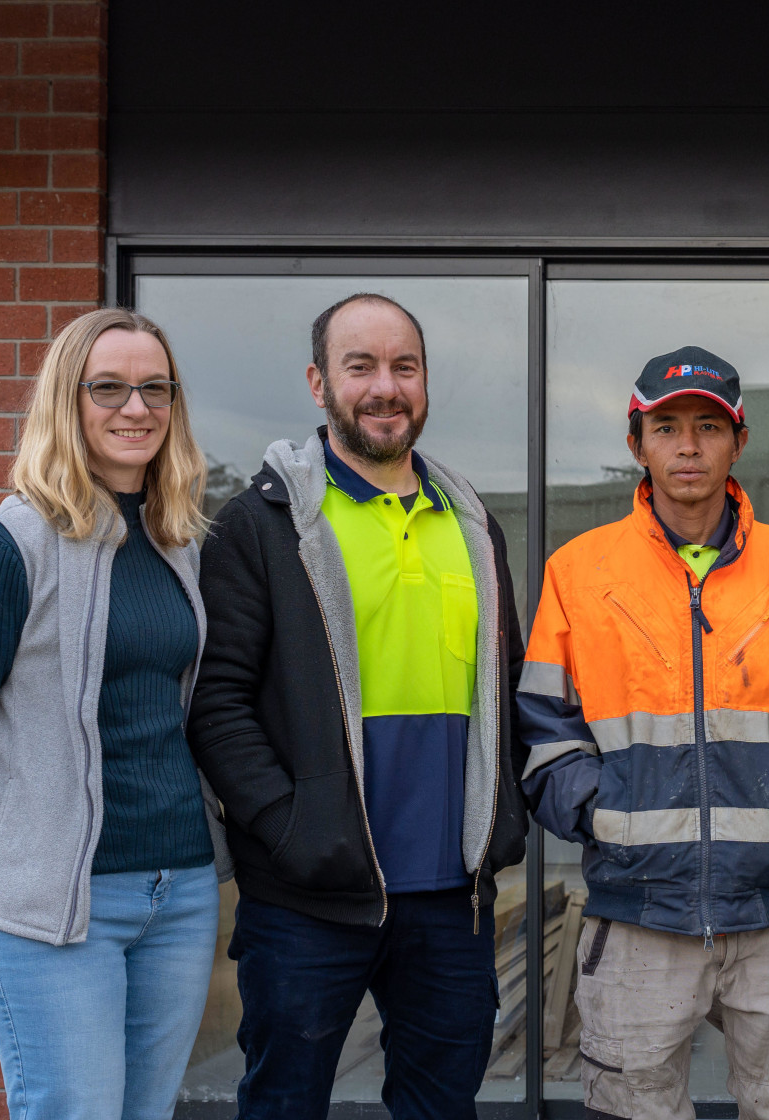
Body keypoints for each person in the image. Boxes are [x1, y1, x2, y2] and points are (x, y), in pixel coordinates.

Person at [188, 293, 529, 1119]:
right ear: (318, 382)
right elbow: (216, 703)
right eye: (361, 366)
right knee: (283, 1105)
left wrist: (500, 818)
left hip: (453, 901)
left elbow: (506, 695)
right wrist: (291, 826)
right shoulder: (260, 527)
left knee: (441, 1107)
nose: (386, 387)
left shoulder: (473, 526)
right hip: (309, 900)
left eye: (404, 367)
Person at [0, 308, 227, 1119]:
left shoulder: (177, 540)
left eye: (155, 388)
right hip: (56, 908)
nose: (136, 408)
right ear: (65, 402)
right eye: (108, 387)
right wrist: (26, 829)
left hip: (179, 893)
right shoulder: (7, 546)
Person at [520, 346, 769, 1120]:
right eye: (667, 428)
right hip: (638, 915)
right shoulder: (578, 572)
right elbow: (542, 724)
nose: (689, 446)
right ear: (637, 443)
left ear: (739, 440)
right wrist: (603, 811)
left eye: (709, 426)